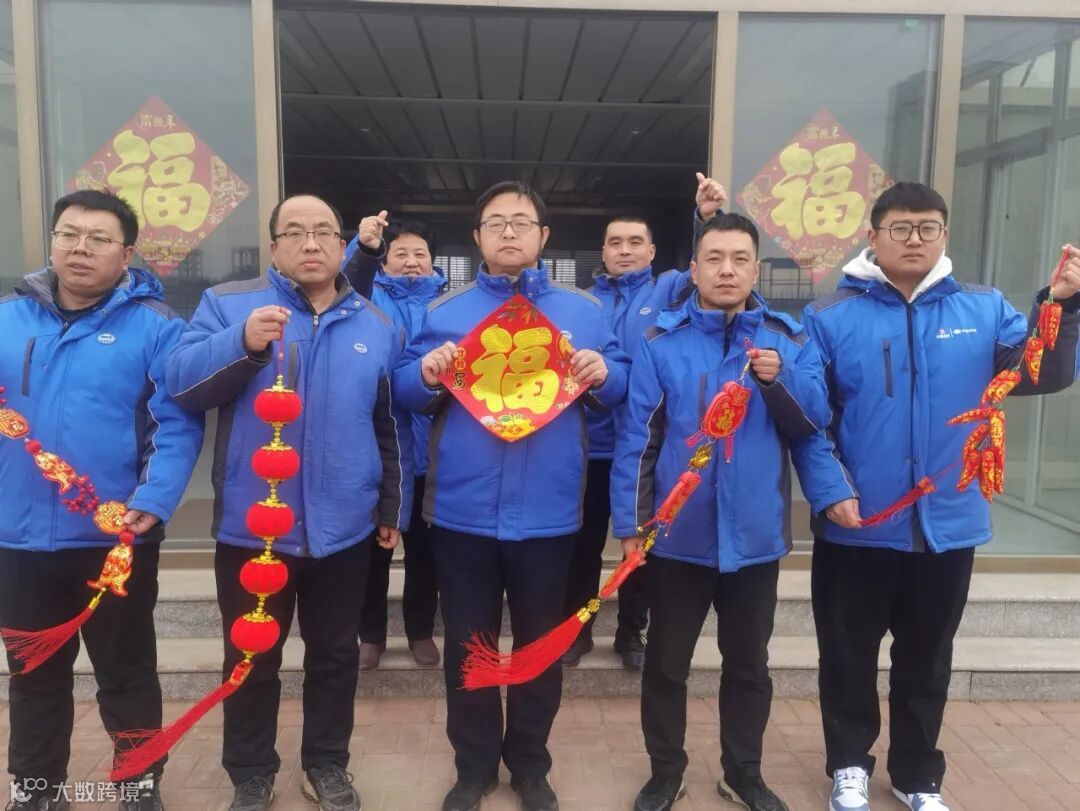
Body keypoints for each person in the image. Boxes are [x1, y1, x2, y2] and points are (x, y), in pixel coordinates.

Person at [791, 182, 1080, 811]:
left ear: (944, 235)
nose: (914, 238)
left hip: (947, 521)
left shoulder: (984, 308)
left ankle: (917, 774)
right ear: (874, 237)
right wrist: (829, 491)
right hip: (859, 524)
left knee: (927, 659)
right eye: (900, 227)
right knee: (847, 655)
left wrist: (1061, 307)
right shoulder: (829, 316)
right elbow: (810, 420)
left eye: (927, 227)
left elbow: (1039, 372)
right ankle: (849, 765)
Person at [166, 194, 413, 811]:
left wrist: (390, 507)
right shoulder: (228, 304)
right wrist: (242, 344)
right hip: (255, 529)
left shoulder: (377, 323)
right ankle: (251, 773)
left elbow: (387, 425)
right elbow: (181, 383)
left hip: (345, 529)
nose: (310, 243)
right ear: (274, 245)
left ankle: (327, 764)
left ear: (342, 244)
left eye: (324, 232)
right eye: (295, 232)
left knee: (335, 656)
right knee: (251, 656)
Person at [393, 180, 630, 811]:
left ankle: (529, 765)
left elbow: (621, 388)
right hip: (461, 512)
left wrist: (604, 374)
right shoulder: (445, 310)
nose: (508, 232)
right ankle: (473, 768)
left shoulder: (585, 311)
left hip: (550, 513)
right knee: (466, 647)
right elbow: (403, 390)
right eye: (495, 222)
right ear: (477, 237)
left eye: (521, 222)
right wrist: (426, 374)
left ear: (543, 236)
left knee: (539, 649)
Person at [612, 213, 828, 811]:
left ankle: (743, 773)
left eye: (739, 259)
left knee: (749, 667)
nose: (726, 270)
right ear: (694, 269)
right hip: (676, 540)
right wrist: (630, 527)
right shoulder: (661, 342)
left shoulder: (787, 340)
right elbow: (638, 442)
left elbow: (815, 420)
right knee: (666, 665)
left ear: (756, 270)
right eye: (714, 258)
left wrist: (780, 380)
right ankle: (665, 772)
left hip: (755, 541)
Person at [0, 190, 203, 811]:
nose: (80, 248)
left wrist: (155, 498)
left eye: (98, 238)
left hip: (116, 535)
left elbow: (176, 424)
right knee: (33, 675)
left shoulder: (157, 328)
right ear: (52, 242)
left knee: (127, 670)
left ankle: (138, 783)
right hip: (18, 537)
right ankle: (37, 791)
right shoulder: (8, 318)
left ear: (127, 253)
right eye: (68, 234)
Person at [564, 174, 729, 672]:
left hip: (647, 449)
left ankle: (631, 630)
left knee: (641, 545)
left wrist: (707, 219)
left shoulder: (670, 288)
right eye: (615, 242)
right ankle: (578, 630)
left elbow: (707, 264)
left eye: (635, 242)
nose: (625, 250)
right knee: (582, 547)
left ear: (652, 251)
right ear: (603, 251)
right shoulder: (583, 304)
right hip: (590, 447)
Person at [344, 214, 447, 670]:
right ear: (384, 262)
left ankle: (420, 630)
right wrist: (363, 248)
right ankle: (371, 634)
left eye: (419, 253)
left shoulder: (447, 305)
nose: (410, 261)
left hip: (434, 452)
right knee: (374, 551)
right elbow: (343, 283)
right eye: (400, 253)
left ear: (433, 261)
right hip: (379, 448)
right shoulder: (366, 297)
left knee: (426, 553)